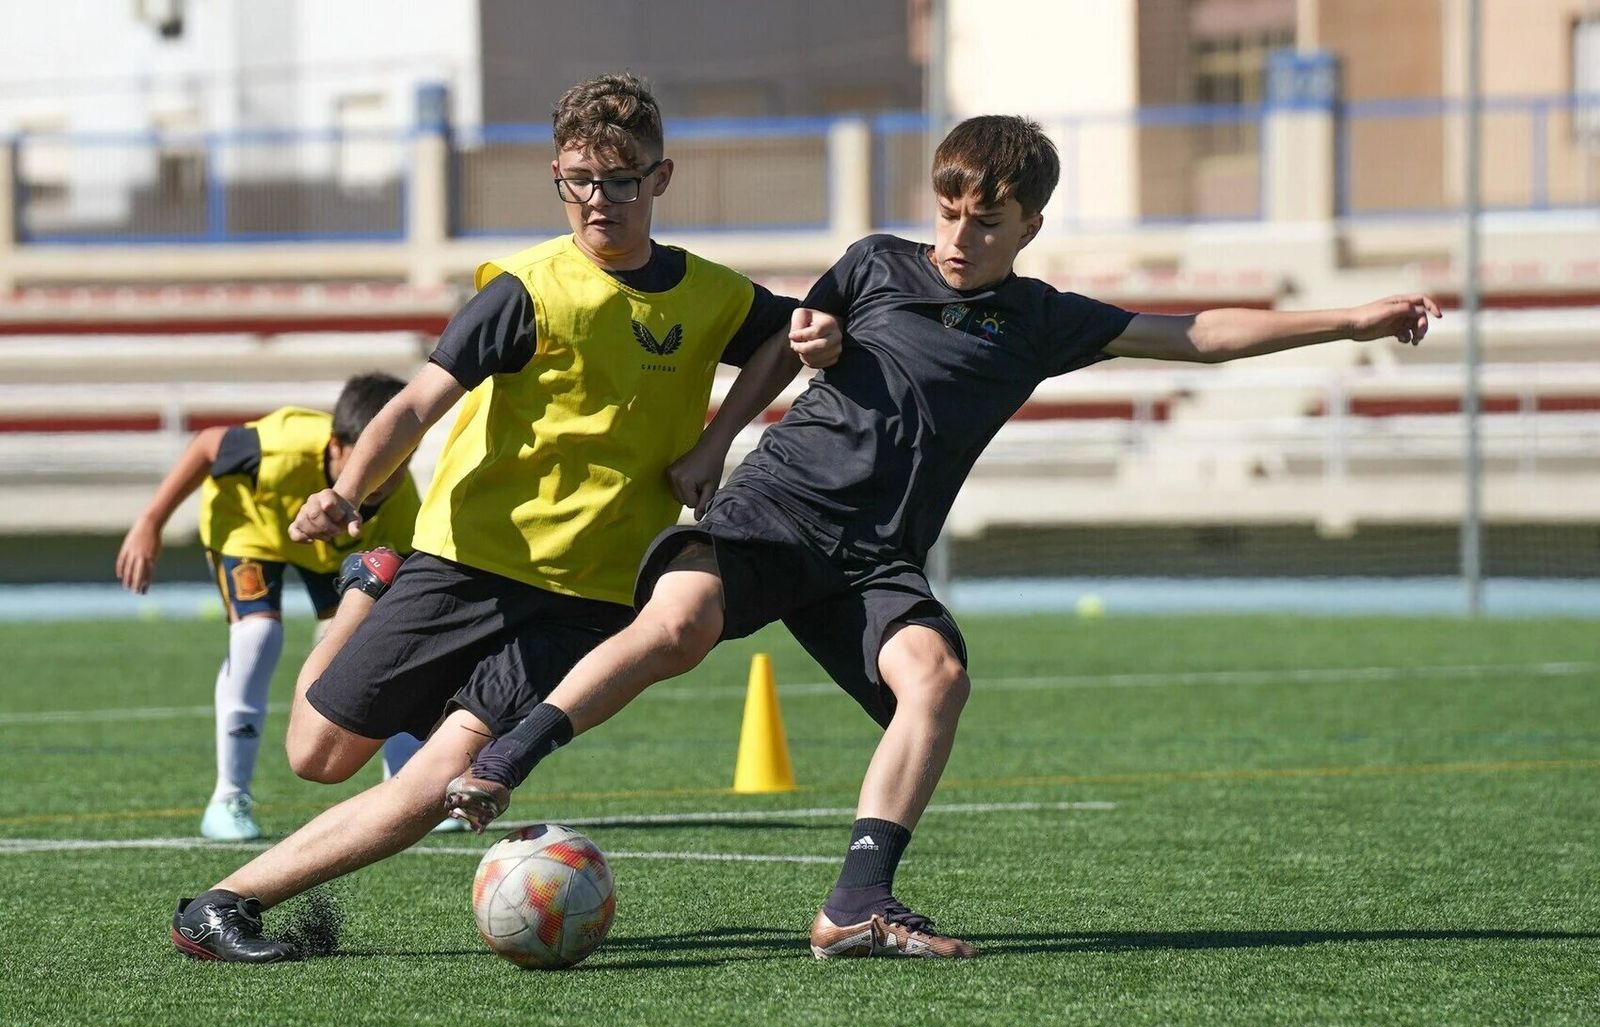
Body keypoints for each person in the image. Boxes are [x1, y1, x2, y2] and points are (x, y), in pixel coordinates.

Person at [442, 114, 1443, 960]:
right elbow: (802, 336)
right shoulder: (877, 262)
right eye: (951, 212)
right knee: (682, 622)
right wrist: (781, 376)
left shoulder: (1039, 320)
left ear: (1028, 226)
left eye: (987, 221)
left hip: (874, 558)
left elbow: (1194, 335)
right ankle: (505, 758)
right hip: (779, 512)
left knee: (937, 676)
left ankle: (854, 905)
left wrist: (1351, 321)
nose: (960, 236)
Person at [167, 72, 841, 962]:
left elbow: (785, 338)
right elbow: (412, 407)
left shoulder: (712, 294)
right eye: (580, 181)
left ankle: (222, 905)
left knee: (444, 776)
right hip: (466, 562)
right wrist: (350, 498)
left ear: (661, 177)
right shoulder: (526, 289)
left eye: (625, 178)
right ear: (558, 178)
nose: (601, 201)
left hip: (593, 597)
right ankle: (369, 591)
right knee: (316, 753)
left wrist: (718, 443)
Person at [116, 372, 425, 841]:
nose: (384, 476)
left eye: (399, 462)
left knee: (391, 635)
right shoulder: (279, 447)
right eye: (372, 458)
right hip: (251, 524)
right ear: (339, 445)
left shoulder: (404, 505)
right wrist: (150, 523)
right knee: (258, 635)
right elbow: (206, 446)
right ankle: (228, 797)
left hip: (330, 544)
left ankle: (408, 788)